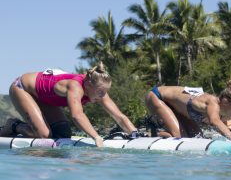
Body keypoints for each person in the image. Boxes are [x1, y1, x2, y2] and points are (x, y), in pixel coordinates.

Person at [0, 62, 138, 147]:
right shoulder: (75, 87)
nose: (103, 96)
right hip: (23, 88)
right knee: (44, 135)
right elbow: (77, 115)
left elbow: (119, 116)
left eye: (106, 92)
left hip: (45, 98)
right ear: (89, 84)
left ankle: (29, 127)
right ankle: (14, 125)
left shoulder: (97, 89)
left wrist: (135, 134)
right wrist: (96, 137)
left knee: (63, 133)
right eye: (101, 92)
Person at [144, 81, 231, 142]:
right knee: (177, 136)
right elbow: (215, 121)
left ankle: (157, 131)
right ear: (226, 102)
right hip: (156, 96)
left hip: (175, 107)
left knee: (195, 137)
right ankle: (147, 133)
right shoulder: (212, 103)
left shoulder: (226, 109)